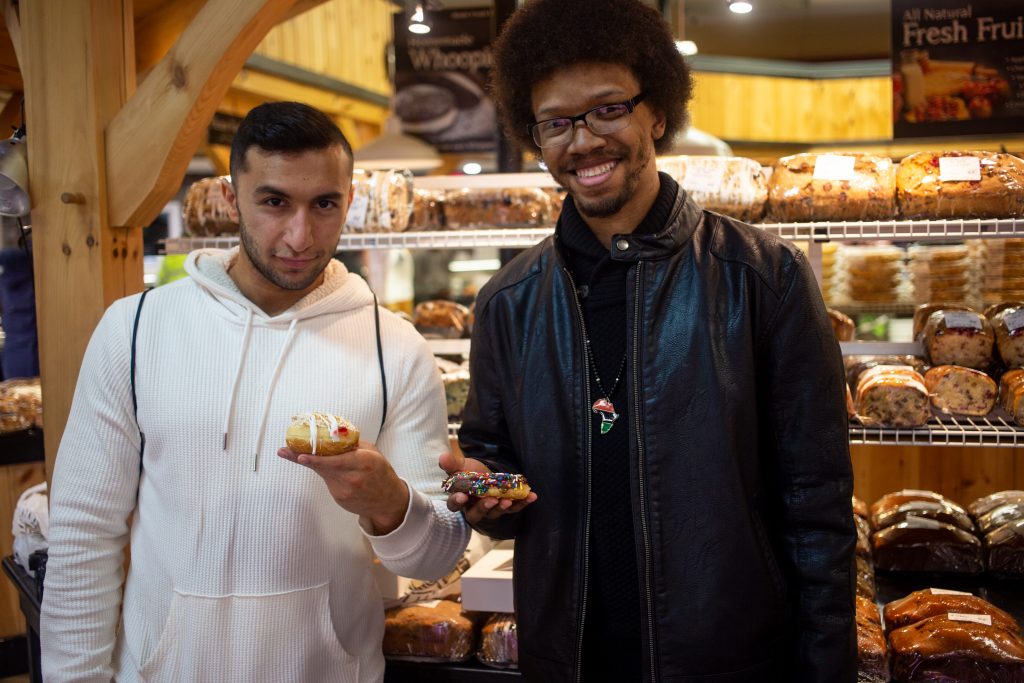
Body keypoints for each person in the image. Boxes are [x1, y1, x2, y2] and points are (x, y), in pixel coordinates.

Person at [441, 1, 857, 680]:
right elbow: (496, 458)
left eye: (608, 109)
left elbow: (817, 511)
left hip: (728, 655)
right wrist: (489, 491)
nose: (583, 141)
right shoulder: (508, 303)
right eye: (556, 123)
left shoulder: (760, 277)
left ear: (656, 113)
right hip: (569, 655)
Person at [40, 101, 470, 682]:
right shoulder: (135, 328)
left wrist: (391, 505)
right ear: (231, 196)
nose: (300, 235)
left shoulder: (395, 347)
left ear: (348, 200)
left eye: (324, 204)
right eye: (274, 202)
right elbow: (83, 534)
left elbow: (437, 556)